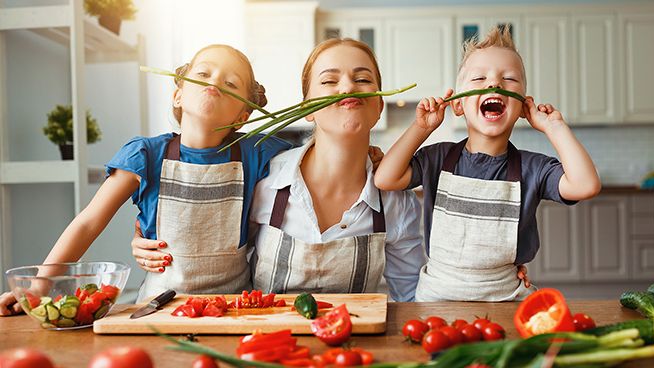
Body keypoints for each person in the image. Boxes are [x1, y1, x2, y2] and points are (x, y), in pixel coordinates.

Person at [0, 44, 290, 314]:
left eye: (231, 84)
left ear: (243, 116)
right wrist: (39, 285)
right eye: (203, 73)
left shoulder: (259, 152)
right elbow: (88, 222)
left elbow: (315, 159)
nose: (214, 82)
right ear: (178, 94)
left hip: (233, 309)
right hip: (160, 306)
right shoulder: (145, 155)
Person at [133, 38, 427, 302]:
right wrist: (146, 237)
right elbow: (209, 237)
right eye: (329, 81)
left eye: (362, 78)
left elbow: (412, 300)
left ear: (378, 106)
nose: (347, 87)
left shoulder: (397, 204)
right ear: (307, 108)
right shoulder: (265, 175)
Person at [374, 26, 601, 302]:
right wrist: (421, 129)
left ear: (522, 108)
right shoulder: (438, 158)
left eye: (509, 78)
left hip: (506, 300)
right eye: (479, 77)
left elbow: (585, 185)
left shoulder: (534, 168)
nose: (494, 84)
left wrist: (554, 127)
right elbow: (385, 178)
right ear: (458, 105)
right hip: (436, 299)